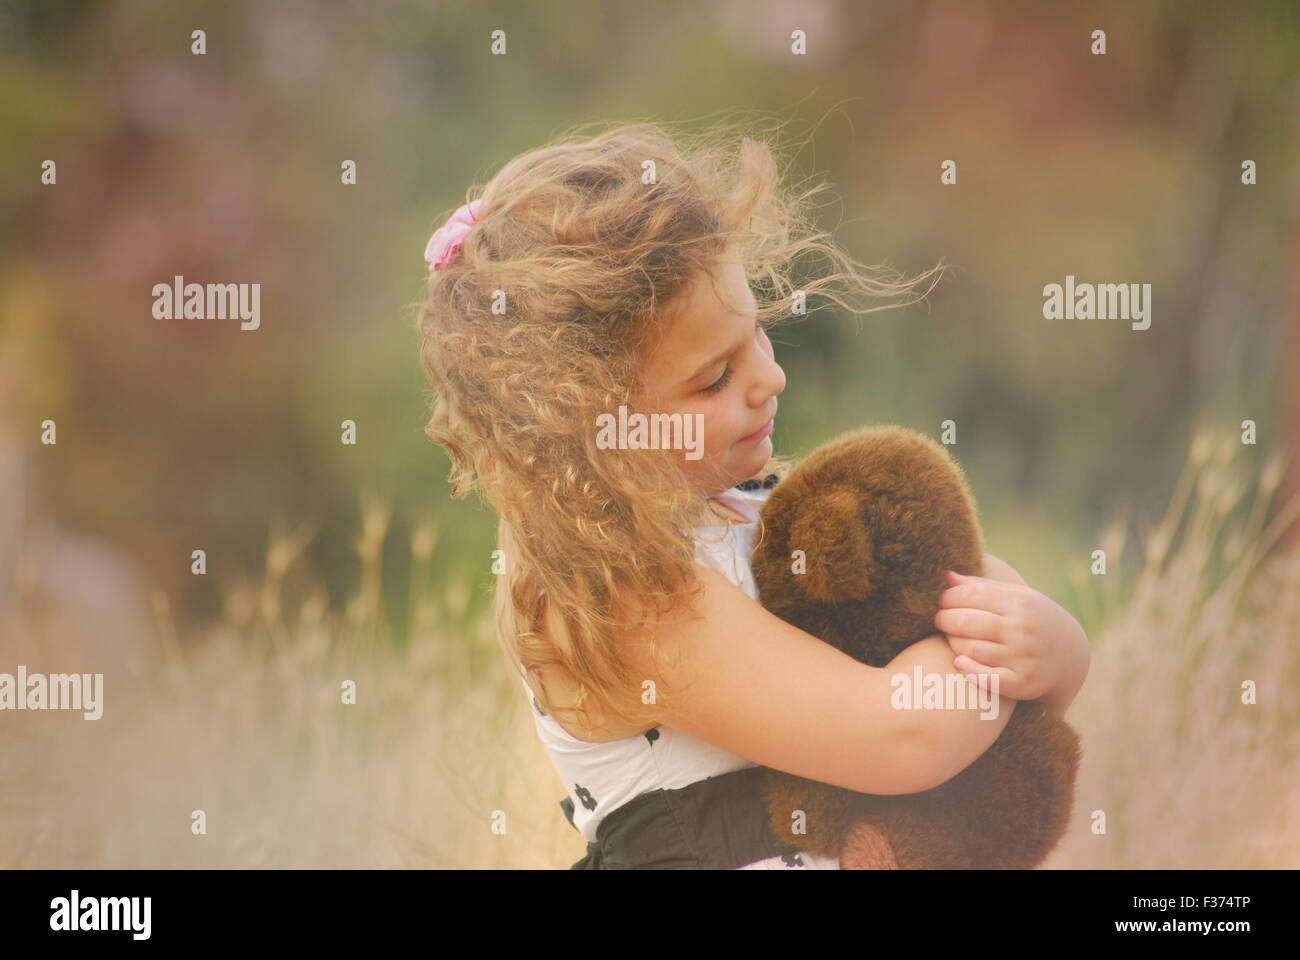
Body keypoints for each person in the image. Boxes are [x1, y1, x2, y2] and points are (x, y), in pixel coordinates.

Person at [416, 120, 1090, 869]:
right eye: (714, 377)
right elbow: (906, 735)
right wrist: (1003, 653)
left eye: (758, 337)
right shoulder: (620, 596)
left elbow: (980, 738)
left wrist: (1056, 651)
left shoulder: (757, 517)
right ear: (589, 428)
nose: (770, 379)